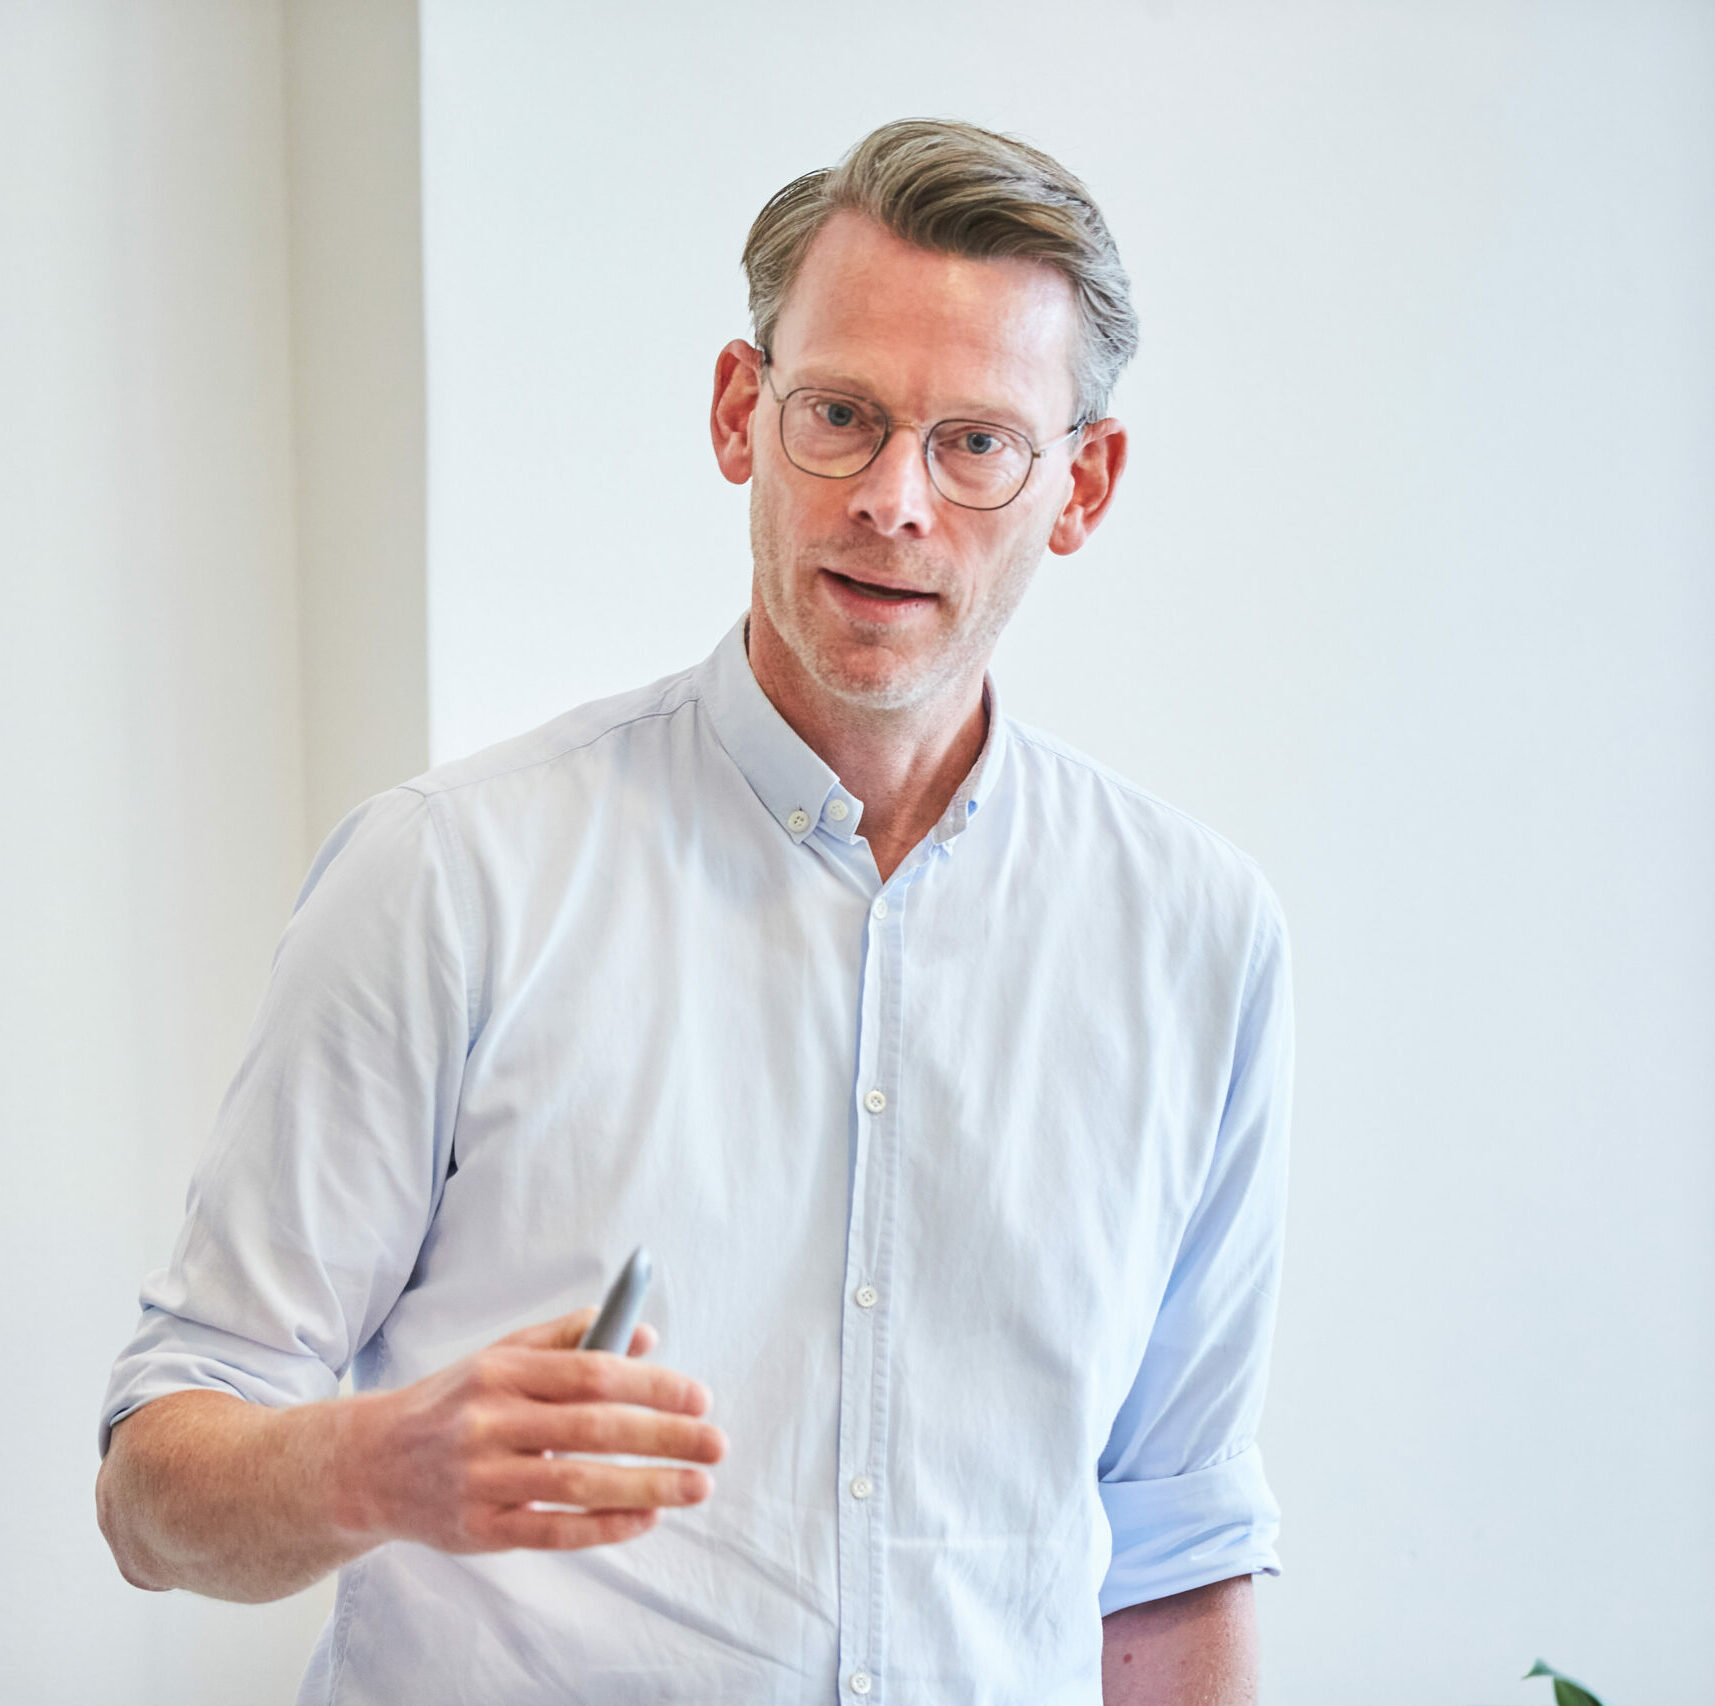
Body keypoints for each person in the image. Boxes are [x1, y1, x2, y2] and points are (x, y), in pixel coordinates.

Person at [96, 118, 1292, 1706]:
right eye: (842, 416)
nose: (895, 500)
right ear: (742, 413)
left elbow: (1176, 1549)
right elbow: (151, 1493)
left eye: (977, 444)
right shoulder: (450, 876)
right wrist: (374, 1464)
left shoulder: (1199, 938)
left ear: (1084, 484)